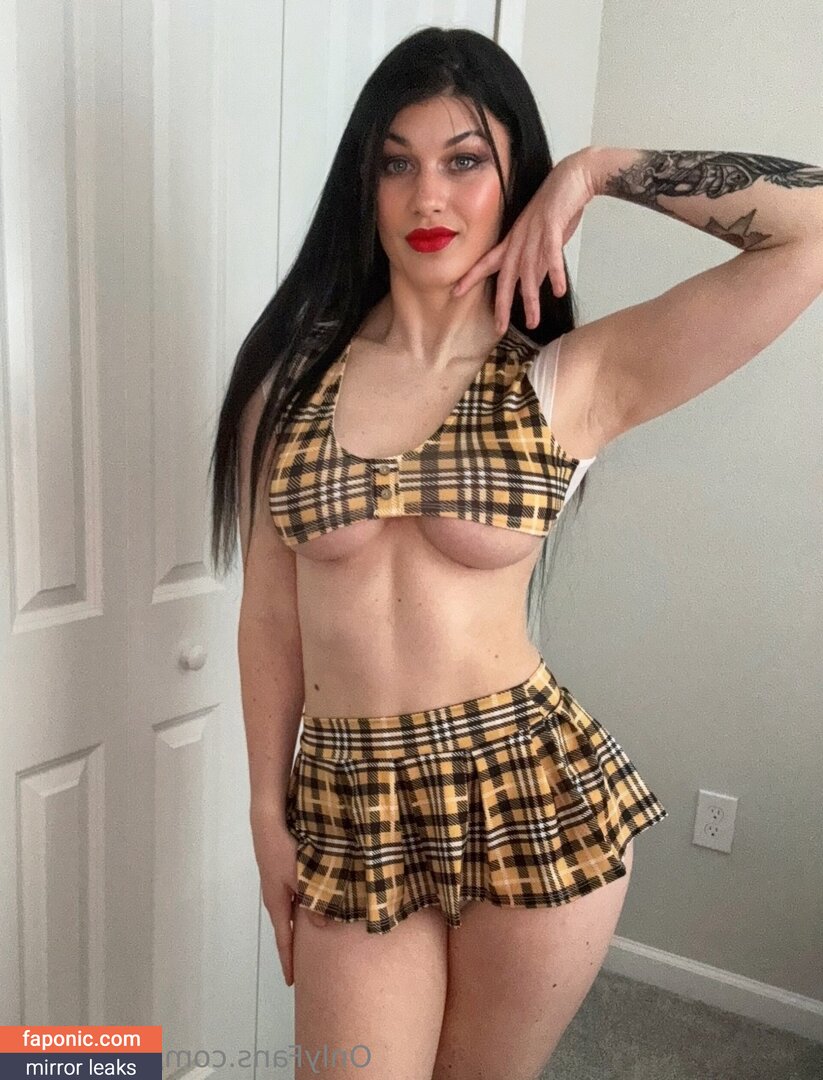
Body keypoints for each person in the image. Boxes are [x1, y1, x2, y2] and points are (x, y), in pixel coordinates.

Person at [209, 25, 823, 1080]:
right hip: (352, 804)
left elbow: (805, 230)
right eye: (395, 163)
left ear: (514, 181)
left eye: (465, 160)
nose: (427, 195)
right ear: (364, 185)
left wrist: (597, 170)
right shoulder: (291, 384)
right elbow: (269, 618)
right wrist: (267, 813)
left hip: (528, 789)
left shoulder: (566, 378)